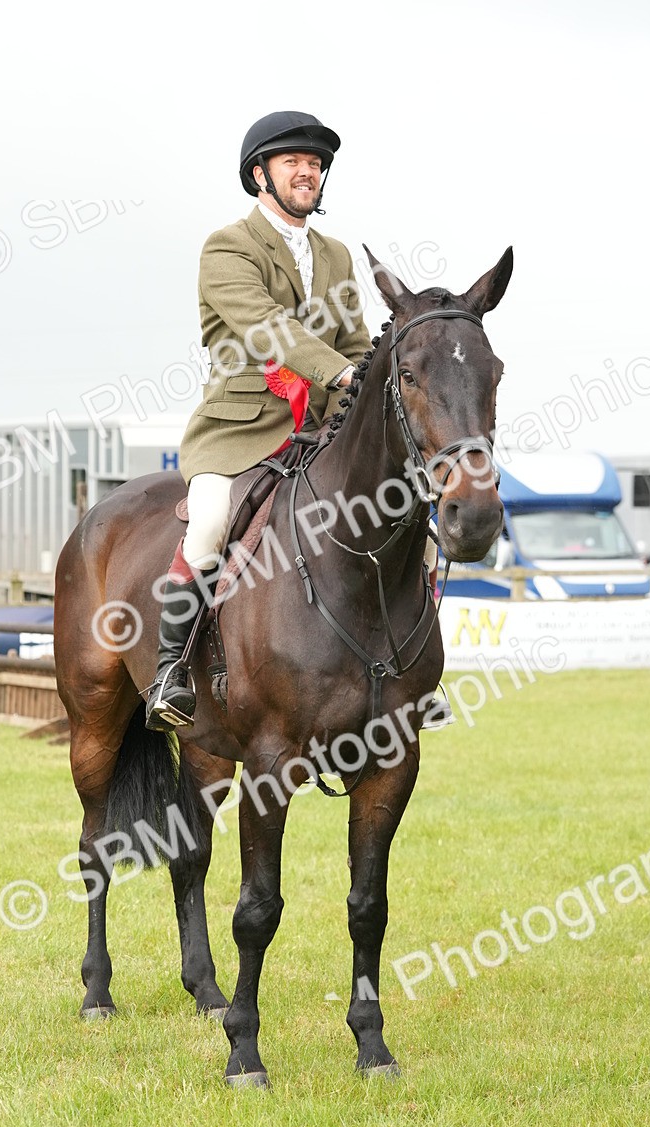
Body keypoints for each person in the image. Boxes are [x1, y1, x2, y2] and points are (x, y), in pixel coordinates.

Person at [144, 110, 454, 733]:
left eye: (314, 165)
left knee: (405, 518)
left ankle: (415, 677)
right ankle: (170, 670)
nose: (307, 172)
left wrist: (367, 389)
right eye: (293, 163)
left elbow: (357, 342)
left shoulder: (336, 256)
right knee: (207, 525)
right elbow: (266, 326)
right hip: (241, 430)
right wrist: (339, 374)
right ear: (261, 174)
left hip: (322, 432)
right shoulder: (228, 246)